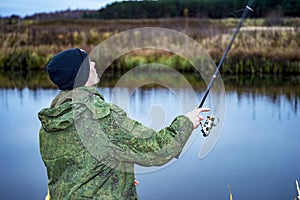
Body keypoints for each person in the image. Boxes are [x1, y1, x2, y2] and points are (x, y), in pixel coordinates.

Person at [38, 48, 210, 200]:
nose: (94, 63)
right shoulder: (102, 117)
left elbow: (78, 168)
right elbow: (155, 149)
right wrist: (186, 122)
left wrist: (118, 176)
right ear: (82, 73)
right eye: (88, 61)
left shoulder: (50, 123)